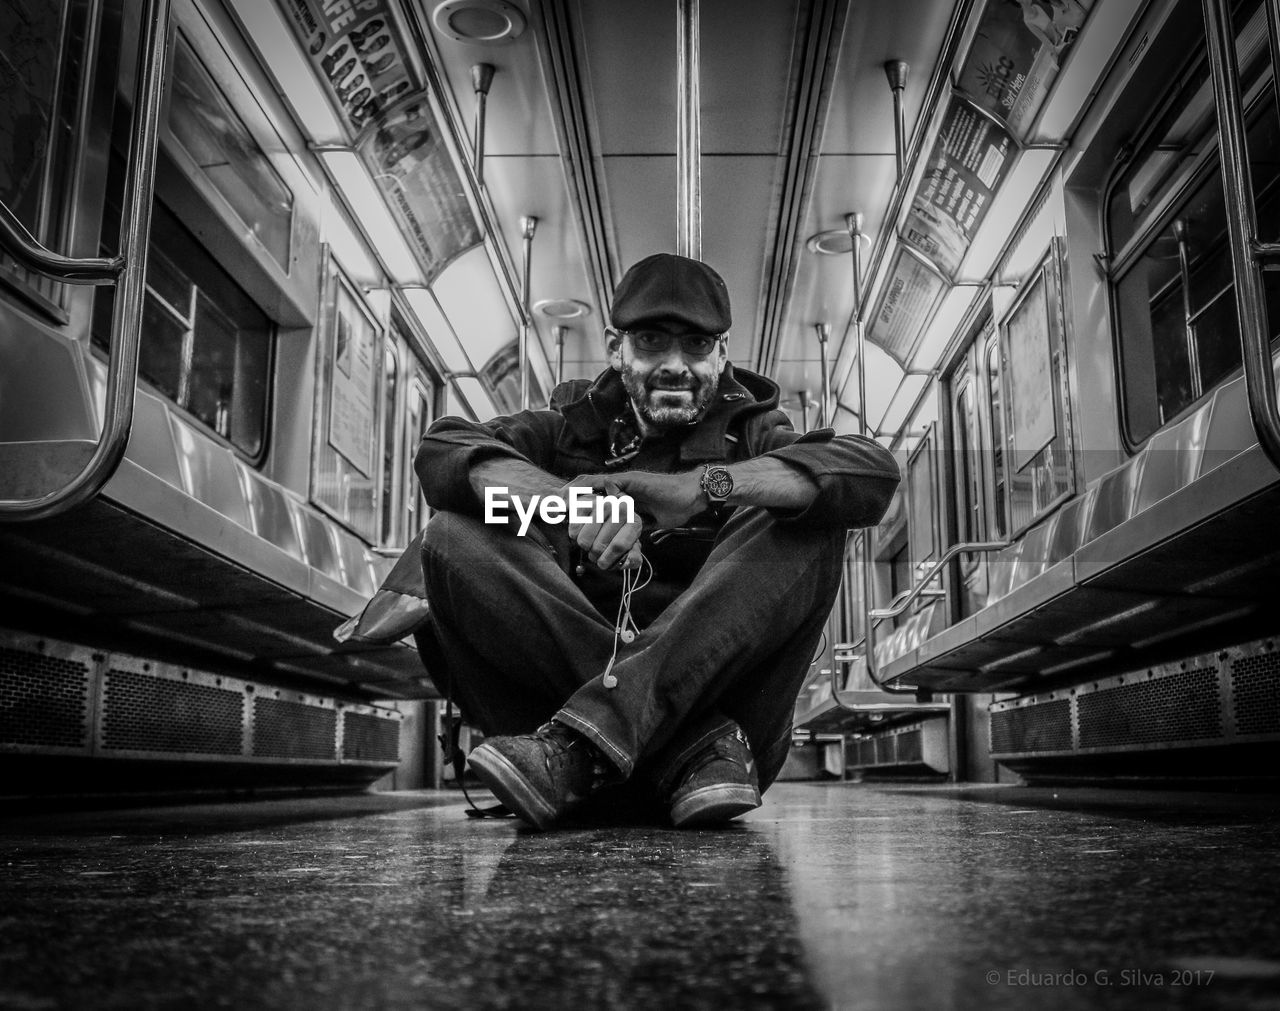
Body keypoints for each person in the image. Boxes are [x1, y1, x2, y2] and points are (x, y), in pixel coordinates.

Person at [413, 253, 899, 830]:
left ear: (721, 355)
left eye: (696, 345)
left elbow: (870, 473)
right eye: (650, 342)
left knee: (803, 506)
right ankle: (673, 743)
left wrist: (706, 487)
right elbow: (443, 450)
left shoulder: (753, 436)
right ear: (617, 349)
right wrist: (565, 500)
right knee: (453, 533)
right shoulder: (558, 432)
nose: (675, 364)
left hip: (703, 755)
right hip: (662, 759)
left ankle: (594, 738)